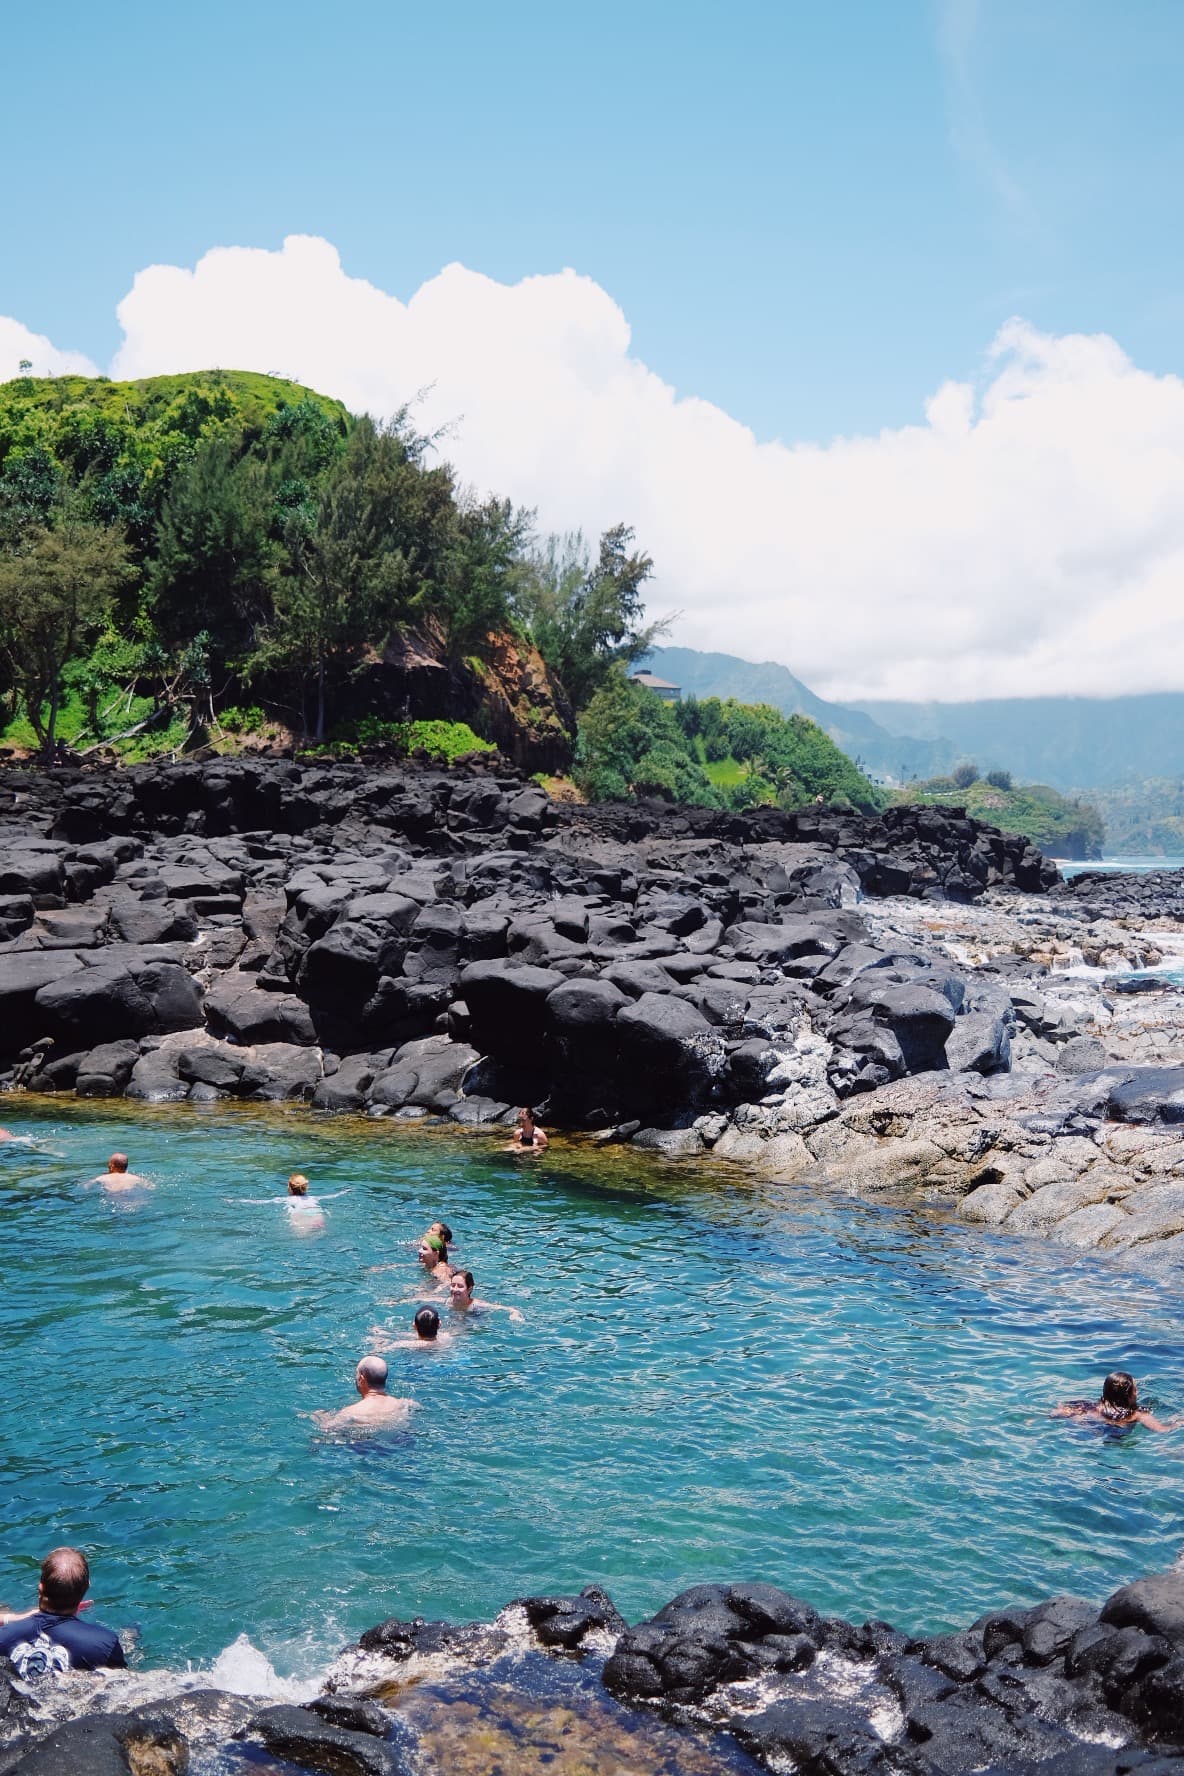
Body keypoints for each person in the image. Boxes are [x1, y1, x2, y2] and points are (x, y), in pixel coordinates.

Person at [0, 1547, 125, 1676]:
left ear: (40, 1588)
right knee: (129, 1637)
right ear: (86, 1586)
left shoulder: (4, 1636)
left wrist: (12, 1619)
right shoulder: (104, 1644)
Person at [1053, 1371, 1180, 1432]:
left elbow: (1058, 1410)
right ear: (1128, 1395)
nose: (1138, 1391)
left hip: (1094, 1428)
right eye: (1135, 1389)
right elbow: (1162, 1430)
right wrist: (1178, 1423)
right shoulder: (1137, 1414)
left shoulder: (1092, 1407)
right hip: (1117, 1441)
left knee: (1080, 1419)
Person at [312, 1356, 415, 1431]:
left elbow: (326, 1430)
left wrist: (319, 1418)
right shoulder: (404, 1403)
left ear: (361, 1379)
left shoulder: (350, 1412)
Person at [446, 1268, 525, 1323]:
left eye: (460, 1286)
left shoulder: (476, 1305)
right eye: (453, 1285)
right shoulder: (448, 1301)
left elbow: (508, 1309)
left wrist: (514, 1313)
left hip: (475, 1318)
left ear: (469, 1289)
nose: (455, 1289)